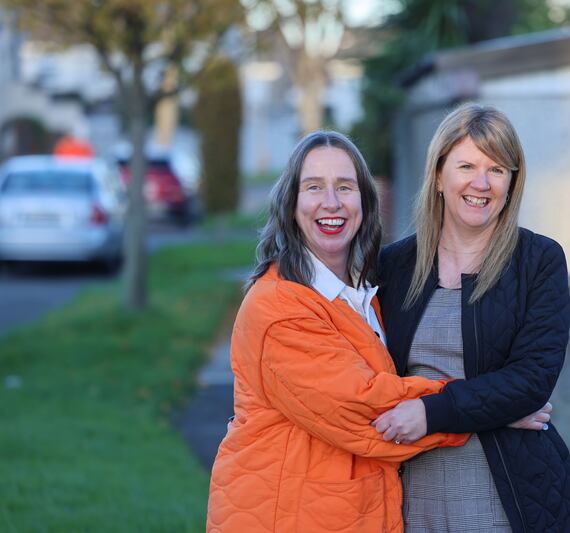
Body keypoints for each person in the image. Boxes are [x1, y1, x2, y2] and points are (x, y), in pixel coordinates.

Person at [206, 131, 551, 533]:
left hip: (350, 511)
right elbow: (367, 409)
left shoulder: (365, 294)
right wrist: (494, 407)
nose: (331, 203)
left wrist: (486, 403)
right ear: (290, 204)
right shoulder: (278, 306)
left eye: (345, 187)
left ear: (365, 204)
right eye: (314, 187)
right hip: (289, 515)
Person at [375, 104, 570, 532]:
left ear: (512, 183)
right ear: (438, 176)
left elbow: (531, 379)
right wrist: (491, 408)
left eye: (497, 169)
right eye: (467, 166)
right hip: (411, 495)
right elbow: (366, 377)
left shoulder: (538, 261)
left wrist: (432, 412)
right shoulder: (392, 267)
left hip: (510, 495)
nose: (481, 183)